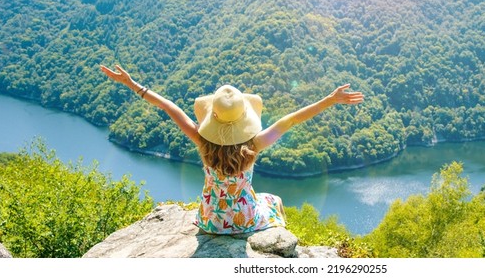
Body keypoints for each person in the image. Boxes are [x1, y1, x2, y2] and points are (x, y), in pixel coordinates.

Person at [100, 64, 364, 234]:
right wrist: (330, 100)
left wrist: (132, 84)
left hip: (208, 220)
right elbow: (292, 119)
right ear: (245, 118)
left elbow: (169, 107)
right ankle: (280, 238)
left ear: (212, 116)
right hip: (244, 221)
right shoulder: (254, 145)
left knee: (252, 201)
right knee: (274, 201)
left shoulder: (203, 142)